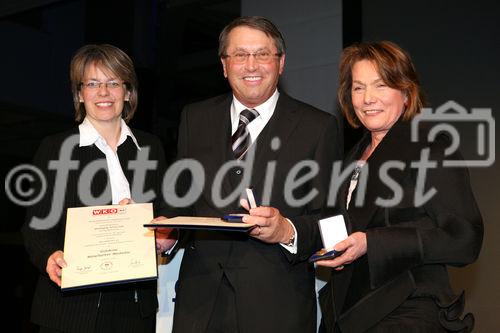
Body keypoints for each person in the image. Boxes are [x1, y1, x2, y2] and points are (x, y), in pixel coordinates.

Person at [154, 16, 341, 333]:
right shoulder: (194, 118)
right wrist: (167, 234)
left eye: (262, 54)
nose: (251, 65)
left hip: (277, 307)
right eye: (240, 55)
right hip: (199, 305)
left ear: (280, 63)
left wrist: (286, 230)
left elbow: (331, 219)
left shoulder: (318, 127)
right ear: (225, 65)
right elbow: (181, 199)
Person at [315, 41, 484, 332]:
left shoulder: (429, 148)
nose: (368, 98)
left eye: (380, 85)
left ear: (405, 92)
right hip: (348, 314)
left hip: (407, 309)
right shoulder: (349, 161)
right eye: (358, 88)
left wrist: (372, 242)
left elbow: (465, 240)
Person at [22, 44, 169, 333]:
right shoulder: (55, 148)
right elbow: (35, 226)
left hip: (135, 308)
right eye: (92, 83)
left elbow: (167, 213)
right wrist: (49, 255)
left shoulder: (150, 148)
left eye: (113, 83)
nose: (103, 92)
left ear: (127, 92)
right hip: (69, 308)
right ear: (79, 94)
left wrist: (166, 234)